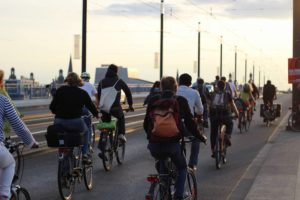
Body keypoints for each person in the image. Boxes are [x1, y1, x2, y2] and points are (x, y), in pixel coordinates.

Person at [144, 76, 206, 200]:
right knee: (182, 168)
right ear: (175, 88)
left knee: (162, 167)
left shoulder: (153, 99)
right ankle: (178, 195)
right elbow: (190, 123)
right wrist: (200, 137)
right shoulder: (180, 100)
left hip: (154, 145)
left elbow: (146, 123)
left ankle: (163, 192)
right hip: (172, 144)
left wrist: (151, 137)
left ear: (161, 87)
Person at [0, 72, 38, 200]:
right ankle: (4, 195)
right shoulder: (3, 100)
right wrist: (31, 142)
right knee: (9, 163)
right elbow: (18, 125)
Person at [50, 72, 98, 162]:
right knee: (86, 131)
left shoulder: (60, 90)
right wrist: (97, 114)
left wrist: (58, 112)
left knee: (61, 136)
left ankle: (61, 152)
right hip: (75, 121)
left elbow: (52, 107)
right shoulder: (82, 93)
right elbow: (91, 106)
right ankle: (85, 154)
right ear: (78, 81)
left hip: (59, 121)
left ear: (67, 81)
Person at [97, 64, 134, 145]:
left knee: (105, 124)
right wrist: (130, 105)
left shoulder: (101, 82)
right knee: (121, 118)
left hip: (104, 108)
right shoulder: (119, 81)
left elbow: (99, 95)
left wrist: (100, 106)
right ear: (116, 72)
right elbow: (128, 92)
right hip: (115, 107)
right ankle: (121, 134)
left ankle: (102, 143)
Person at [177, 73, 203, 171]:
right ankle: (192, 164)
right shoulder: (194, 92)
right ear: (190, 83)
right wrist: (199, 118)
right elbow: (200, 110)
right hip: (186, 123)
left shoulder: (174, 90)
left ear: (179, 82)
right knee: (196, 139)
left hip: (172, 123)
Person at [209, 80, 238, 157]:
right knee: (230, 123)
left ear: (217, 86)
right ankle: (227, 136)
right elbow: (232, 104)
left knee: (213, 133)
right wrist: (237, 114)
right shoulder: (227, 94)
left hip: (214, 116)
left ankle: (213, 150)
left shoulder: (213, 94)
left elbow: (210, 105)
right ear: (225, 86)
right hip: (224, 115)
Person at [80, 72, 98, 155]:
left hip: (77, 108)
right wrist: (98, 106)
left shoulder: (77, 85)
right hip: (87, 108)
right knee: (88, 127)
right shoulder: (90, 85)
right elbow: (96, 96)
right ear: (88, 78)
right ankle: (87, 147)